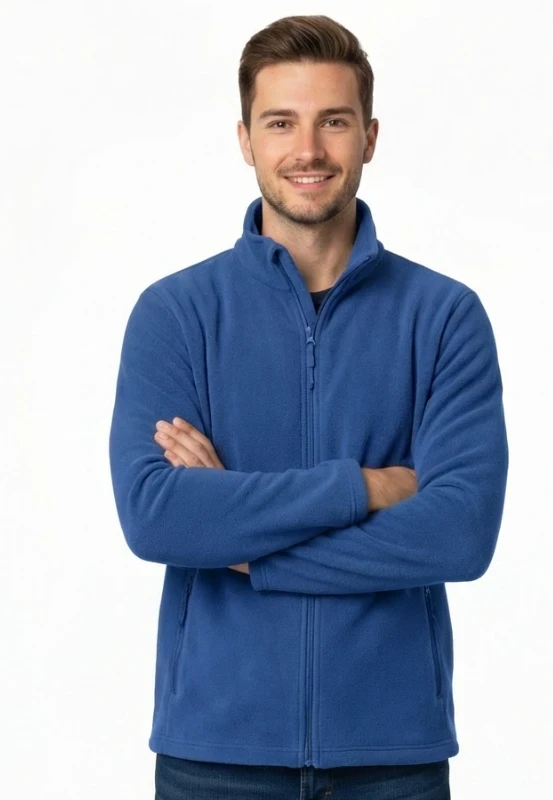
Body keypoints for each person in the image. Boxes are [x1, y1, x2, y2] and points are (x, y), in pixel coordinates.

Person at [108, 14, 509, 800]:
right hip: (214, 752)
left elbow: (460, 534)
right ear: (245, 140)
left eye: (334, 121)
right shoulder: (176, 314)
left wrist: (246, 547)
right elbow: (158, 518)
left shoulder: (443, 317)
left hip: (391, 756)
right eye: (281, 122)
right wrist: (364, 487)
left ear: (370, 136)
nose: (309, 150)